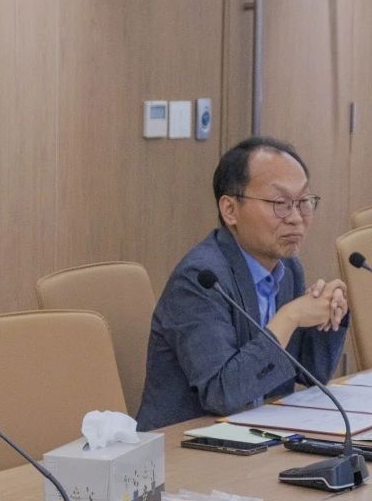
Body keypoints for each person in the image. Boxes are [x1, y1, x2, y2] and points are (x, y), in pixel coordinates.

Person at [136, 136, 348, 431]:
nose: (296, 218)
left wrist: (330, 313)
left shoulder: (288, 268)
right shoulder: (200, 279)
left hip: (259, 434)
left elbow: (310, 372)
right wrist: (290, 317)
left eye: (304, 202)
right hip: (188, 442)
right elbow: (222, 393)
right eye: (280, 203)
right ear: (230, 210)